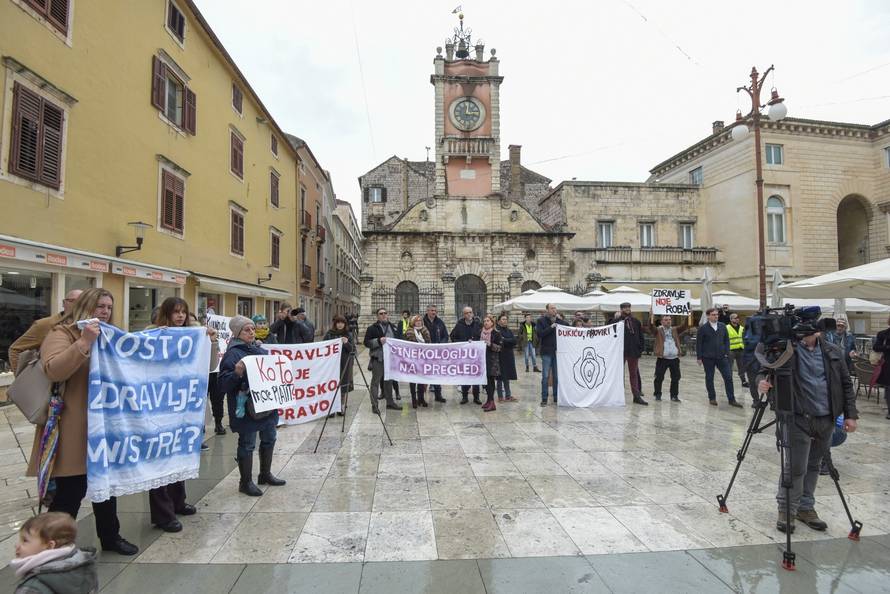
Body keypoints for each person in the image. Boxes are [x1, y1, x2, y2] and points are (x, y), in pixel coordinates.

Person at [27, 288, 138, 555]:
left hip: (102, 424)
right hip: (72, 426)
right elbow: (54, 369)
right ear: (86, 306)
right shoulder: (61, 333)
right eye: (100, 305)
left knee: (105, 487)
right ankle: (52, 548)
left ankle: (110, 537)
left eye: (109, 307)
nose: (105, 311)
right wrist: (83, 343)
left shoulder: (109, 336)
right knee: (70, 491)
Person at [757, 327, 859, 534]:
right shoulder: (787, 350)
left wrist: (851, 414)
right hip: (797, 417)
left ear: (818, 332)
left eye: (807, 333)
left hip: (826, 418)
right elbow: (764, 367)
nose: (803, 338)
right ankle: (786, 510)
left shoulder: (832, 351)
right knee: (796, 467)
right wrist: (761, 381)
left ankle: (806, 507)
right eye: (800, 334)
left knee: (814, 465)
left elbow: (846, 384)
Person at [146, 297, 218, 532]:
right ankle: (162, 514)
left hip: (182, 406)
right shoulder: (152, 334)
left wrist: (210, 342)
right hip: (159, 405)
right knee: (159, 460)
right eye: (175, 312)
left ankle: (178, 501)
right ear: (165, 313)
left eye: (183, 312)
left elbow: (208, 365)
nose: (180, 316)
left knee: (180, 454)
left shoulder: (192, 335)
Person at [218, 316, 286, 497]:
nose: (251, 332)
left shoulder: (258, 349)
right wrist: (236, 373)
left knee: (270, 438)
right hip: (247, 408)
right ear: (237, 333)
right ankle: (245, 482)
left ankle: (265, 474)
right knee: (247, 444)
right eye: (246, 330)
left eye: (252, 329)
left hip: (266, 405)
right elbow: (223, 384)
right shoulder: (232, 354)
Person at [12, 512, 97, 594]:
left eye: (25, 540)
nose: (17, 545)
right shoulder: (82, 567)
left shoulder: (32, 586)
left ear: (49, 546)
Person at [8, 289, 82, 373]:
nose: (77, 304)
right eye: (72, 301)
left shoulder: (86, 325)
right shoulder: (46, 324)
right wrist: (21, 377)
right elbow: (15, 349)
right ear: (63, 303)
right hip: (50, 380)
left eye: (82, 301)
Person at [697, 307, 743, 408]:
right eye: (713, 315)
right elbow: (699, 343)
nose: (716, 316)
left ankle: (732, 399)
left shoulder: (722, 326)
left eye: (717, 314)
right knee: (709, 377)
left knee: (728, 377)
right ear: (708, 316)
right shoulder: (703, 328)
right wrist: (699, 357)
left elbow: (727, 340)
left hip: (722, 357)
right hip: (708, 357)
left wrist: (727, 352)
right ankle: (712, 398)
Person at [646, 313, 692, 402]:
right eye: (666, 320)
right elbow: (651, 326)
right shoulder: (658, 330)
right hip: (662, 358)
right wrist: (651, 315)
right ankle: (657, 394)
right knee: (659, 377)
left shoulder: (675, 329)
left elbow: (685, 325)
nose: (668, 322)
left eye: (669, 320)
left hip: (674, 358)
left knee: (676, 377)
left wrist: (689, 314)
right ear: (662, 321)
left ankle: (674, 395)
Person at [363, 308, 402, 412]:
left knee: (389, 381)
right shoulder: (372, 328)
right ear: (377, 316)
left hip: (391, 359)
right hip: (378, 359)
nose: (384, 315)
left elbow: (398, 341)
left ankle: (390, 402)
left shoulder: (393, 327)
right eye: (381, 314)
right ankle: (374, 405)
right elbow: (366, 343)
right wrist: (378, 341)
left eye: (385, 313)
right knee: (375, 382)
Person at [535, 303, 569, 406]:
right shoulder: (541, 321)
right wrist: (551, 327)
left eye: (555, 308)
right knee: (545, 376)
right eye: (552, 308)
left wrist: (560, 320)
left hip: (557, 351)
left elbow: (568, 327)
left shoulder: (559, 320)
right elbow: (540, 334)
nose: (554, 310)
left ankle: (556, 397)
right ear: (547, 310)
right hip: (546, 352)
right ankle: (544, 398)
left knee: (556, 376)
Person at [617, 302, 647, 405]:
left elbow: (640, 336)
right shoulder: (617, 321)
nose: (627, 309)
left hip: (633, 351)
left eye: (628, 307)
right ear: (621, 309)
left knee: (633, 374)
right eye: (625, 308)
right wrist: (617, 318)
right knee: (619, 374)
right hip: (621, 351)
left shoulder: (636, 321)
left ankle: (636, 396)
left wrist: (641, 348)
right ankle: (618, 394)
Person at [324, 315, 354, 417]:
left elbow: (353, 350)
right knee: (331, 385)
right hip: (331, 364)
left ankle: (341, 405)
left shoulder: (348, 335)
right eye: (338, 322)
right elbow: (323, 347)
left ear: (345, 324)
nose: (340, 324)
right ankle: (331, 407)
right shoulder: (329, 334)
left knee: (343, 385)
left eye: (342, 322)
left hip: (344, 363)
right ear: (335, 324)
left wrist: (346, 343)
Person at [451, 306, 482, 404]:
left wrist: (475, 342)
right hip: (464, 356)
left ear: (472, 313)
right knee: (465, 377)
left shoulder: (478, 324)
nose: (469, 314)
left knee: (476, 377)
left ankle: (476, 397)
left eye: (470, 312)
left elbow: (482, 337)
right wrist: (463, 343)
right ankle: (464, 397)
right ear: (463, 314)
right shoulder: (459, 325)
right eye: (467, 313)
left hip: (476, 356)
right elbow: (452, 337)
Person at [403, 314, 431, 408]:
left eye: (420, 320)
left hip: (423, 359)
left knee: (421, 379)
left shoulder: (425, 330)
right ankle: (414, 399)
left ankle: (421, 398)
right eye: (417, 321)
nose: (419, 322)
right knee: (413, 380)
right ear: (413, 322)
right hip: (413, 359)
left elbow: (429, 343)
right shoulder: (409, 332)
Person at [422, 304, 449, 403]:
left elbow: (445, 336)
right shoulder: (422, 322)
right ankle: (421, 396)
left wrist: (441, 344)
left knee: (437, 374)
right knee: (423, 374)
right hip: (424, 353)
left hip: (437, 353)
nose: (434, 312)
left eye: (435, 311)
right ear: (427, 311)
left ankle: (438, 395)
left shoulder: (440, 322)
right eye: (432, 310)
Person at [479, 315, 503, 411]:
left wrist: (490, 344)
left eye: (488, 321)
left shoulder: (496, 333)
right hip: (482, 360)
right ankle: (488, 400)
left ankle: (492, 402)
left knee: (490, 381)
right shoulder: (480, 332)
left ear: (492, 322)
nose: (486, 322)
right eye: (484, 321)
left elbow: (500, 347)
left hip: (492, 361)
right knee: (486, 382)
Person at [870, 315, 890, 420]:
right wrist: (887, 347)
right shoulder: (883, 334)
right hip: (888, 364)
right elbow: (876, 347)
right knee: (889, 388)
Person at [495, 313, 518, 402]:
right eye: (503, 319)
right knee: (500, 377)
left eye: (506, 319)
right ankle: (500, 396)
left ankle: (508, 395)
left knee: (507, 376)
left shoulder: (509, 330)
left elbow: (514, 341)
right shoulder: (497, 330)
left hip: (508, 355)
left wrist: (506, 340)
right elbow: (500, 341)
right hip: (500, 356)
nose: (505, 321)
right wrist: (508, 341)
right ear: (499, 321)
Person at [727, 313, 748, 387]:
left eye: (738, 318)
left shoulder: (742, 328)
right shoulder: (727, 328)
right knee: (729, 367)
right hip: (730, 350)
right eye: (735, 318)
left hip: (740, 350)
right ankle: (729, 381)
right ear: (731, 319)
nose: (737, 319)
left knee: (741, 367)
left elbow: (744, 339)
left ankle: (744, 382)